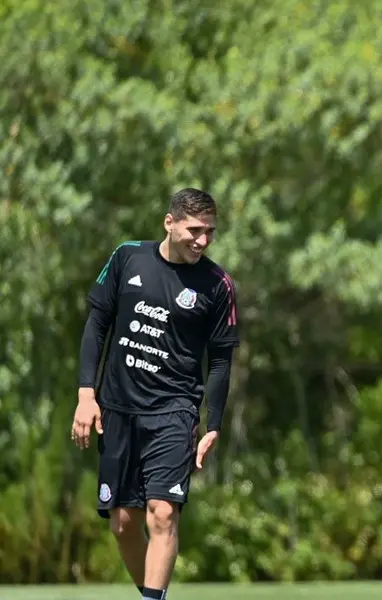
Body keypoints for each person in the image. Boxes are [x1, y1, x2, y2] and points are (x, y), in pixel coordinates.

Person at [72, 188, 240, 600]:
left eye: (210, 232)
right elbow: (97, 325)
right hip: (117, 410)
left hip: (174, 412)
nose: (202, 240)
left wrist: (213, 424)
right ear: (169, 222)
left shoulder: (217, 285)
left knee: (162, 514)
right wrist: (86, 395)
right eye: (194, 230)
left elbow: (221, 362)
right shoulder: (127, 257)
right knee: (123, 524)